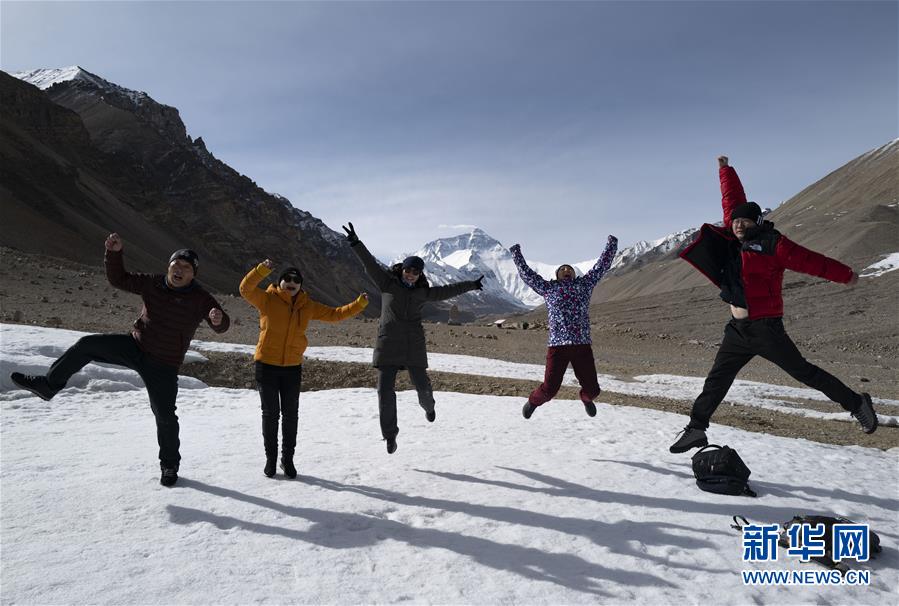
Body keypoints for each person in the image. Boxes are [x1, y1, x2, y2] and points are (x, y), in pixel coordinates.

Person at [669, 156, 878, 453]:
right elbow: (733, 201)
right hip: (737, 330)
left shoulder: (773, 244)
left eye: (745, 220)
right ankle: (696, 429)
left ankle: (857, 402)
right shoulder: (734, 236)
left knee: (804, 372)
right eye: (736, 220)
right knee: (716, 380)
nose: (739, 224)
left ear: (758, 222)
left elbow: (811, 261)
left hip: (766, 329)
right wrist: (725, 170)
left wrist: (845, 275)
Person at [9, 233, 230, 486]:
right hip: (135, 346)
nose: (179, 270)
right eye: (175, 265)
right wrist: (114, 253)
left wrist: (217, 318)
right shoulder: (153, 283)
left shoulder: (201, 298)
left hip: (164, 364)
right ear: (168, 267)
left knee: (165, 416)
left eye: (186, 268)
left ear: (194, 274)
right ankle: (49, 385)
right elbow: (119, 279)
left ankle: (169, 465)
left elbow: (221, 325)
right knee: (86, 345)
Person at [341, 222, 483, 454]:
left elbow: (449, 289)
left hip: (413, 345)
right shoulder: (387, 284)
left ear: (420, 275)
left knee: (422, 385)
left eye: (416, 272)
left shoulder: (423, 292)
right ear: (402, 269)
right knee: (384, 391)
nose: (411, 274)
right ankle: (390, 435)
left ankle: (428, 407)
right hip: (388, 344)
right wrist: (356, 243)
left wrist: (471, 285)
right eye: (408, 270)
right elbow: (369, 265)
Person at [239, 260, 368, 478]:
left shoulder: (307, 306)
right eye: (287, 279)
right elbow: (245, 289)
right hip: (266, 365)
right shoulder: (267, 300)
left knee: (291, 415)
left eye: (296, 280)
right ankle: (270, 459)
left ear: (301, 285)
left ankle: (287, 460)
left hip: (292, 368)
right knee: (270, 414)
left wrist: (359, 304)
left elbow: (335, 314)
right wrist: (261, 270)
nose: (291, 283)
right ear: (280, 282)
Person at [510, 235, 618, 419]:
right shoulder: (548, 288)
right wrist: (516, 254)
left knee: (593, 390)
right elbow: (528, 275)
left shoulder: (584, 285)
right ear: (557, 275)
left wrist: (612, 245)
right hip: (557, 347)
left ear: (575, 274)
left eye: (569, 269)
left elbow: (601, 266)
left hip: (581, 345)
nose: (566, 270)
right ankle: (533, 401)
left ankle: (586, 399)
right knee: (549, 390)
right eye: (562, 269)